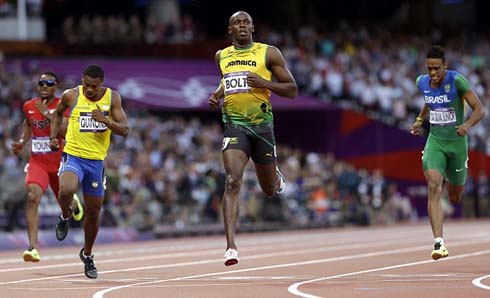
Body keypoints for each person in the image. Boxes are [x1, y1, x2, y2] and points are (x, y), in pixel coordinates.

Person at [209, 11, 297, 266]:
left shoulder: (268, 53)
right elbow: (226, 82)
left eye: (246, 22)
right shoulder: (221, 56)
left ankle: (275, 176)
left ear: (253, 27)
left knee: (268, 190)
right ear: (230, 30)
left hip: (262, 127)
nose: (242, 26)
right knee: (232, 181)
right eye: (237, 23)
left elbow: (292, 89)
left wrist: (264, 83)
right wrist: (217, 95)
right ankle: (231, 247)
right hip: (235, 127)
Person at [49, 65, 129, 278]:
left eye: (94, 86)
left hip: (95, 163)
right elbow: (56, 114)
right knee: (66, 190)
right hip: (73, 155)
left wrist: (106, 121)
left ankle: (88, 254)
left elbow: (125, 129)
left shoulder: (112, 98)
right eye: (86, 85)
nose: (90, 90)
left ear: (101, 83)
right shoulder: (71, 95)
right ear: (82, 80)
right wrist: (53, 137)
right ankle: (65, 216)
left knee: (93, 213)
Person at [411, 45, 484, 260]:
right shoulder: (422, 81)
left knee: (455, 197)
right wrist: (419, 119)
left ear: (445, 67)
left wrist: (467, 125)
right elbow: (429, 99)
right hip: (435, 141)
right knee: (434, 185)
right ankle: (438, 243)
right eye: (429, 69)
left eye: (437, 69)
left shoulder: (457, 81)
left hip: (457, 144)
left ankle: (457, 180)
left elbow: (479, 109)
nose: (433, 73)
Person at [10, 72, 84, 262]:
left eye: (49, 83)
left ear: (56, 86)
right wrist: (21, 141)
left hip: (60, 163)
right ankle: (33, 248)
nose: (44, 86)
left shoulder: (63, 105)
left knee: (65, 204)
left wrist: (47, 115)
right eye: (41, 83)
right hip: (38, 162)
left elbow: (66, 130)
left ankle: (72, 206)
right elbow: (28, 123)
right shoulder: (28, 106)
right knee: (32, 197)